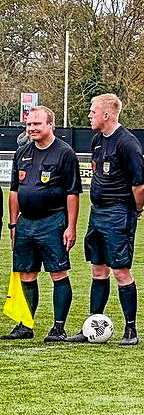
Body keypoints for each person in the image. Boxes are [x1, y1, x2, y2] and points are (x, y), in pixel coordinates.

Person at [67, 94, 144, 346]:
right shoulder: (97, 141)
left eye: (92, 111)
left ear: (106, 115)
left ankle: (131, 330)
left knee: (120, 271)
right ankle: (93, 324)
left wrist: (135, 210)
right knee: (97, 269)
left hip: (119, 214)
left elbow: (140, 186)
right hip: (97, 213)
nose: (89, 115)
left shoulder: (127, 143)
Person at [2, 106, 81, 342]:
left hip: (53, 221)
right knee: (26, 273)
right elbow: (14, 190)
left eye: (37, 124)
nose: (32, 128)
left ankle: (59, 327)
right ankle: (25, 324)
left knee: (58, 273)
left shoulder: (64, 153)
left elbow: (72, 193)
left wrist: (71, 226)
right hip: (25, 223)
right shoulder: (22, 152)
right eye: (29, 124)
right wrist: (13, 224)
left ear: (50, 125)